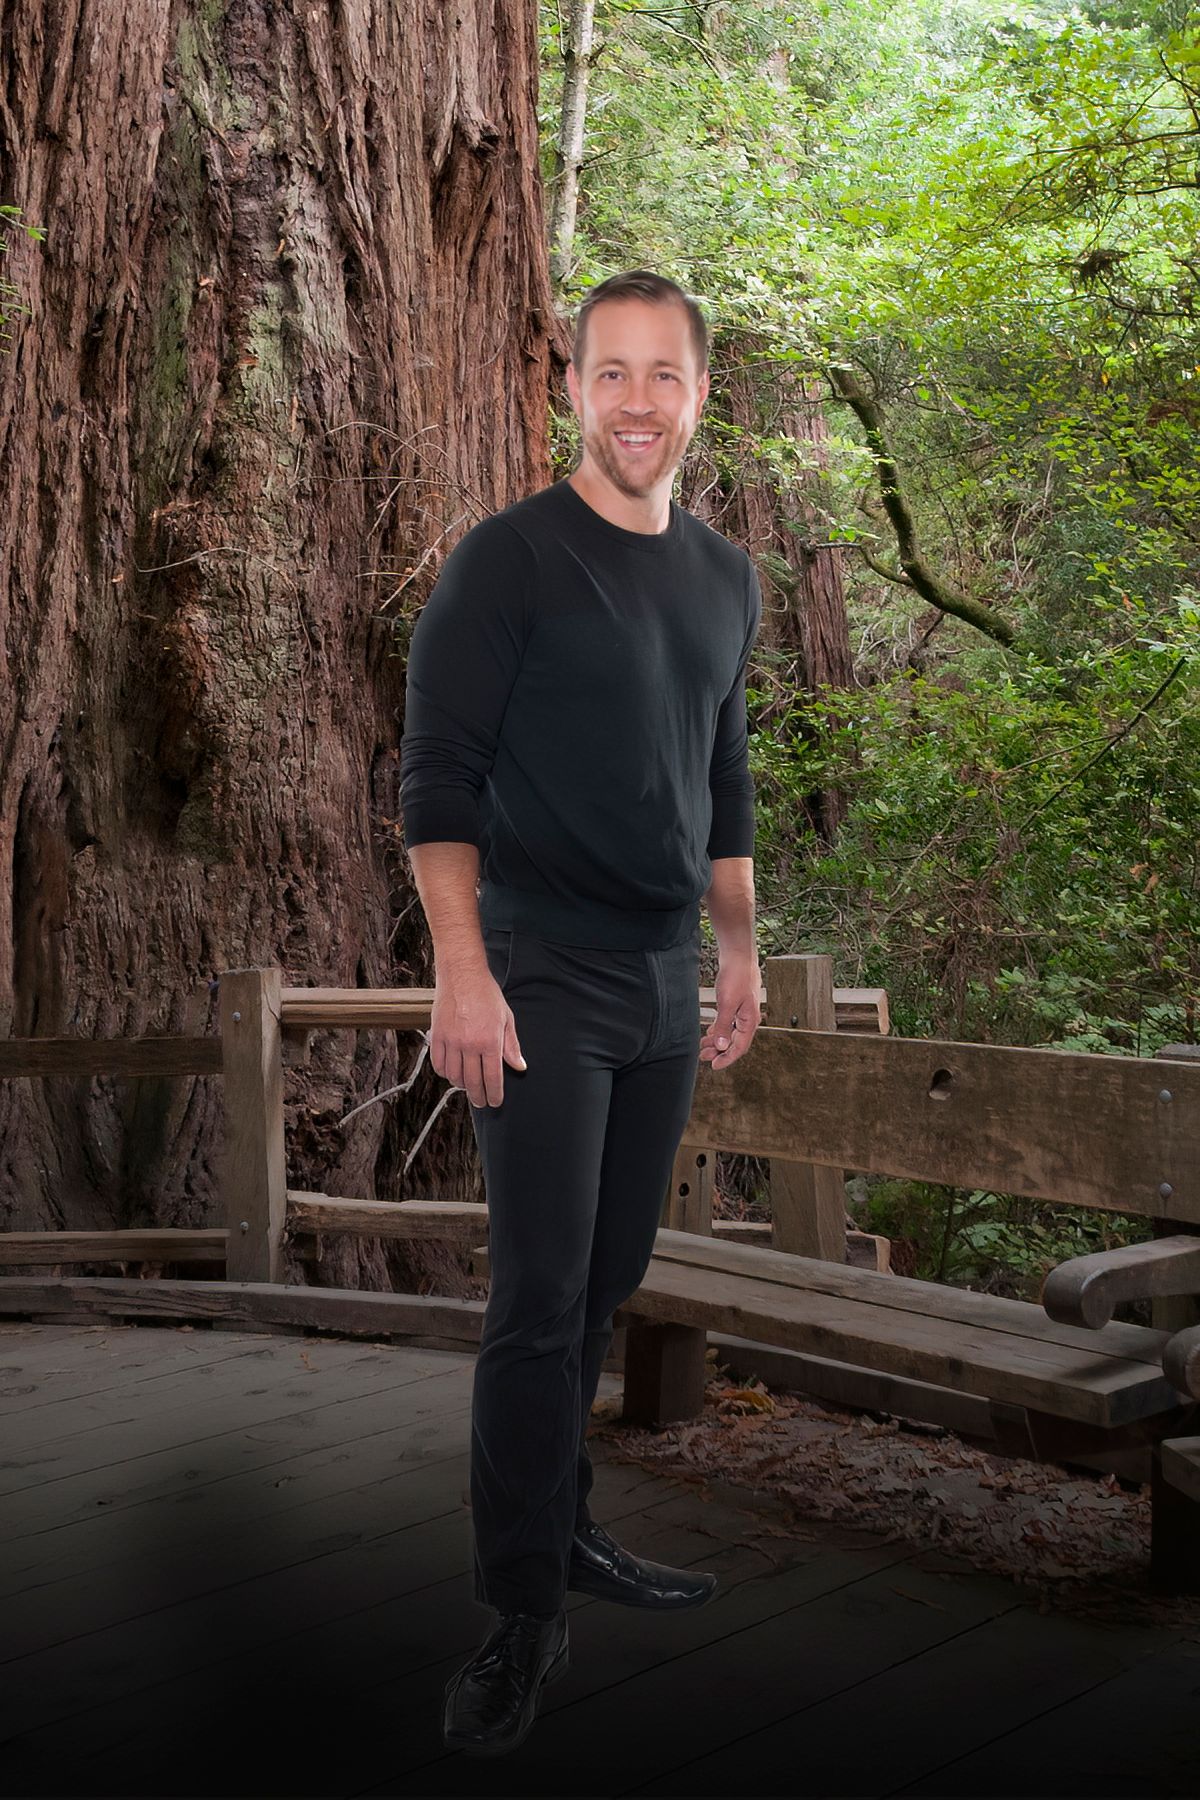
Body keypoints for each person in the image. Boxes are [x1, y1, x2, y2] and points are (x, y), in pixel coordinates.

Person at [398, 269, 763, 1757]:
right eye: (608, 374)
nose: (635, 403)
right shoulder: (510, 562)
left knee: (605, 1280)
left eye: (660, 376)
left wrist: (735, 951)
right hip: (536, 970)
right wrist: (463, 972)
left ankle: (567, 1531)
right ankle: (518, 1616)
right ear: (571, 389)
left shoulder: (728, 576)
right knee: (539, 1302)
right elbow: (436, 780)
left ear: (695, 394)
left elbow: (721, 772)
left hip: (661, 979)